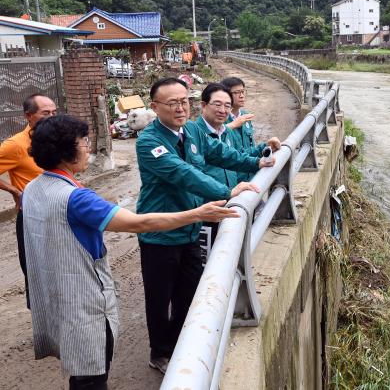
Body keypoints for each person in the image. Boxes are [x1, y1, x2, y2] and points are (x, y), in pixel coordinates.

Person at [22, 114, 240, 390]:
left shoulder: (32, 188)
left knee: (79, 367)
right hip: (82, 301)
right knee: (91, 374)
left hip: (55, 295)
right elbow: (139, 223)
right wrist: (197, 213)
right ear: (67, 150)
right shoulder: (76, 199)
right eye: (84, 141)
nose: (88, 147)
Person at [136, 77, 275, 373]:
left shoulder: (191, 132)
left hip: (189, 226)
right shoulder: (150, 142)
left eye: (184, 101)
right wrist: (226, 192)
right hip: (160, 233)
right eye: (172, 103)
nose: (180, 108)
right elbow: (183, 173)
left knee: (190, 291)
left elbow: (221, 153)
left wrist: (256, 163)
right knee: (160, 299)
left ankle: (182, 346)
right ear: (155, 107)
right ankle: (160, 353)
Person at [195, 83, 280, 262]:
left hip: (229, 204)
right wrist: (225, 193)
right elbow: (193, 177)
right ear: (203, 105)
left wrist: (263, 152)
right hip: (208, 210)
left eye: (226, 105)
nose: (223, 110)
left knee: (229, 255)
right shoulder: (195, 135)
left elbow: (236, 157)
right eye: (217, 105)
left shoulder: (225, 132)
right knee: (207, 263)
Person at [0, 93, 57, 307]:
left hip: (61, 212)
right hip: (33, 217)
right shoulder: (16, 145)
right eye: (45, 113)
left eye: (54, 112)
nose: (52, 117)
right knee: (37, 273)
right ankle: (44, 326)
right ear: (29, 116)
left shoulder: (57, 138)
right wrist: (14, 190)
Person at [221, 77, 277, 182]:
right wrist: (232, 125)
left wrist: (266, 147)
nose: (241, 96)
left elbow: (250, 148)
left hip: (252, 174)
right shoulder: (221, 120)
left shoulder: (245, 116)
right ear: (226, 95)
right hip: (235, 179)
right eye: (236, 92)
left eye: (243, 91)